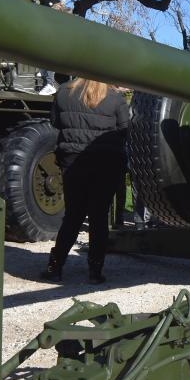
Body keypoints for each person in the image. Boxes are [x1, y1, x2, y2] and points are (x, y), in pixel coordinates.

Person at [43, 77, 130, 283]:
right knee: (99, 217)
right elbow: (125, 130)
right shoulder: (115, 99)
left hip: (72, 160)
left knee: (73, 216)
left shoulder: (63, 93)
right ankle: (95, 270)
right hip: (106, 163)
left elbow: (55, 122)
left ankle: (55, 266)